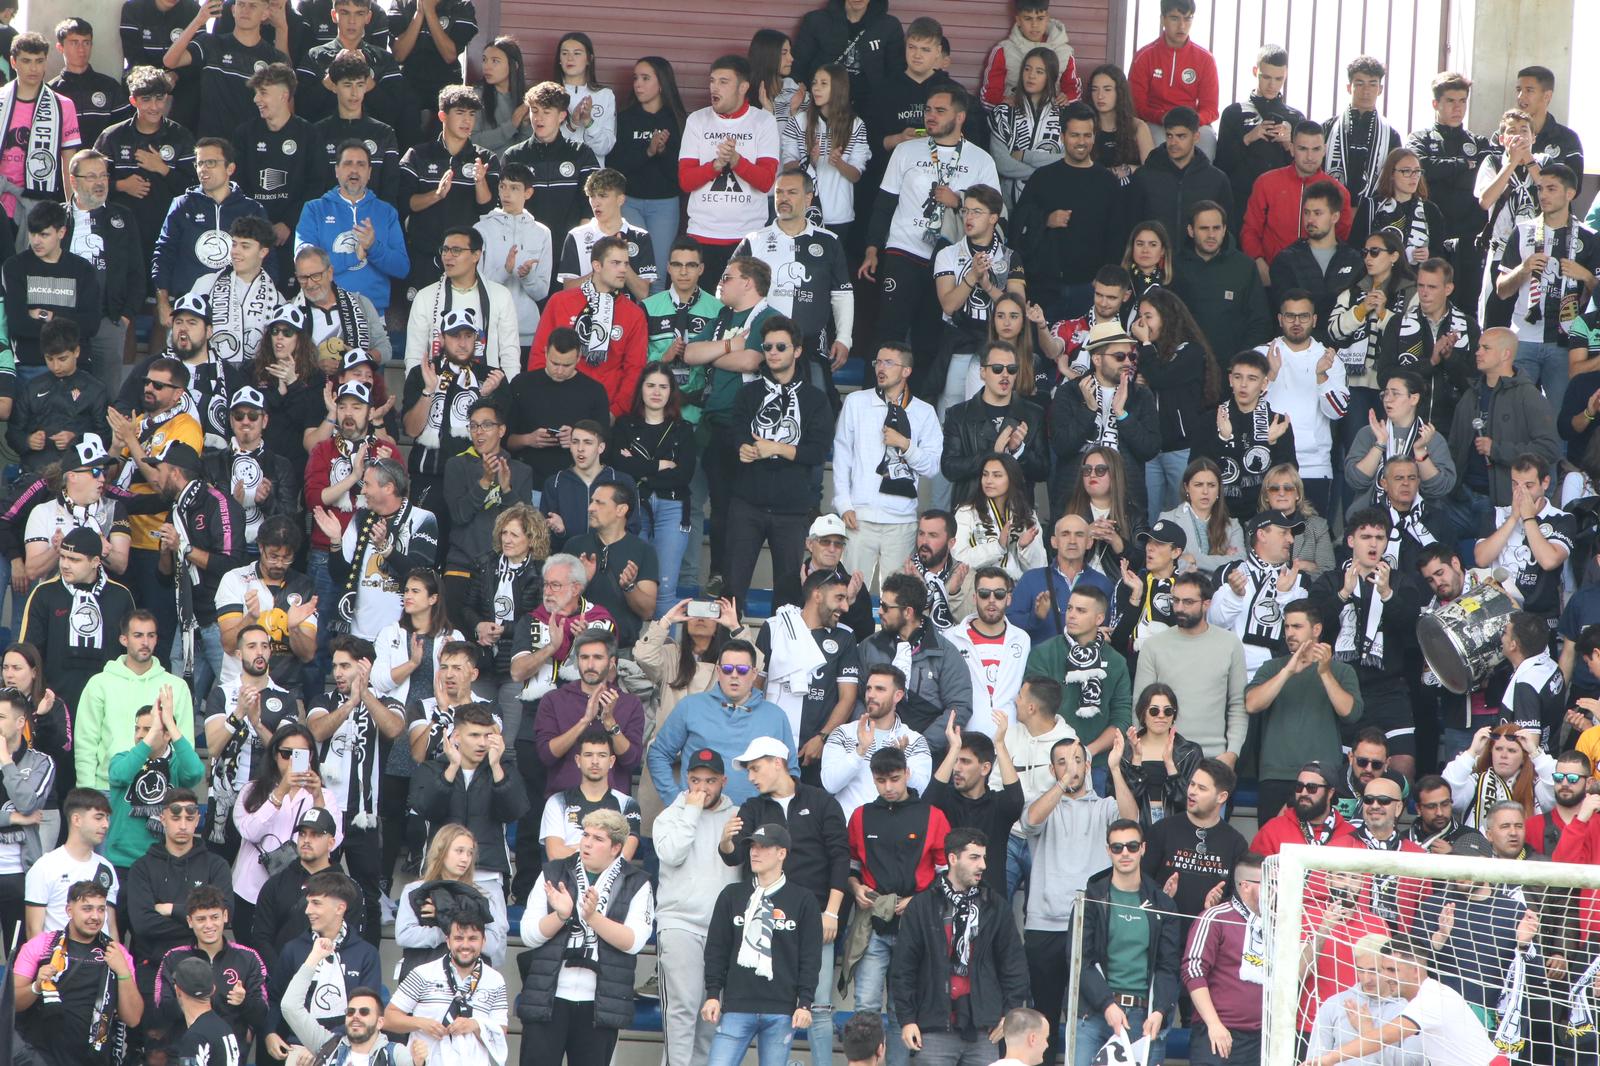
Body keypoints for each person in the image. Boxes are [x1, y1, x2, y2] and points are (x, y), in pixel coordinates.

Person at [861, 84, 998, 367]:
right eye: (927, 110)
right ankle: (872, 402)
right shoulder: (906, 150)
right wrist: (872, 248)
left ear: (960, 117)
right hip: (904, 249)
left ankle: (919, 405)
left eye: (940, 110)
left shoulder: (980, 159)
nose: (930, 116)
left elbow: (996, 214)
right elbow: (884, 202)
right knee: (888, 331)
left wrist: (959, 201)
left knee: (929, 337)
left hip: (948, 256)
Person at [1022, 732, 1137, 1066]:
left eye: (1076, 760)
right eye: (1061, 762)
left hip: (1092, 930)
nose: (1070, 768)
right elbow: (1030, 821)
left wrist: (1115, 770)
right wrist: (1064, 783)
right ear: (1051, 769)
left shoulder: (1105, 806)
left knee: (1089, 1019)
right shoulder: (1043, 801)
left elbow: (1131, 824)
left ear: (1089, 765)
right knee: (1043, 1017)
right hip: (1045, 925)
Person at [515, 808, 652, 1066]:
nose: (587, 843)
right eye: (586, 835)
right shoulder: (553, 872)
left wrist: (594, 919)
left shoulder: (637, 882)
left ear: (616, 848)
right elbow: (528, 935)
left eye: (598, 839)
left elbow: (634, 942)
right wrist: (561, 915)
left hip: (600, 1005)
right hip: (549, 998)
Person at [891, 826, 1031, 1064]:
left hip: (984, 1029)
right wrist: (907, 1019)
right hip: (934, 1027)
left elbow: (1014, 965)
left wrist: (1009, 1014)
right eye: (974, 857)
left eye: (984, 857)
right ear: (953, 859)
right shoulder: (922, 906)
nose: (983, 865)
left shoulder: (995, 905)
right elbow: (903, 968)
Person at [654, 747, 741, 1066]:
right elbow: (673, 854)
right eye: (695, 780)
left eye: (710, 780)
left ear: (724, 781)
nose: (702, 788)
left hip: (722, 932)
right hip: (679, 924)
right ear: (686, 780)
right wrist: (690, 811)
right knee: (682, 1010)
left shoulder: (737, 817)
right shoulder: (670, 815)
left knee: (710, 1016)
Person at [1306, 935, 1509, 1066]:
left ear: (1415, 971)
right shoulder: (1335, 1004)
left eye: (1392, 970)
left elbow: (1384, 1036)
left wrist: (1328, 1059)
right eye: (1383, 970)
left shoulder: (1431, 999)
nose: (1385, 977)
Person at [1244, 601, 1363, 822]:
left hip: (1322, 777)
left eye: (1297, 627)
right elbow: (1252, 704)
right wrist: (1288, 670)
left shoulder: (1342, 671)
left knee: (1320, 850)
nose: (1289, 633)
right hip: (1276, 775)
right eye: (1287, 627)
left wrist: (1325, 672)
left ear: (1316, 630)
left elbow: (1350, 713)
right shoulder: (1272, 667)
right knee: (1271, 851)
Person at [1495, 164, 1599, 414]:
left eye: (1551, 189)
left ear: (1570, 193)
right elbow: (1501, 291)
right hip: (1523, 337)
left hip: (1566, 342)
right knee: (1514, 413)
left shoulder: (1591, 237)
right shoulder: (1521, 231)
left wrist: (1585, 276)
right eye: (1540, 188)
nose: (1543, 195)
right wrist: (1522, 269)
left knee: (1558, 417)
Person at [735, 165, 855, 379]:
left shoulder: (829, 241)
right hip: (761, 348)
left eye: (792, 192)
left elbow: (842, 295)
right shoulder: (754, 240)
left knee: (818, 406)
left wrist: (844, 338)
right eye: (779, 192)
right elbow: (726, 289)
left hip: (811, 347)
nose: (783, 198)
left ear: (809, 199)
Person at [649, 640, 798, 807]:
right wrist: (675, 800)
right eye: (727, 669)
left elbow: (790, 770)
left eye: (742, 670)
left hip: (757, 820)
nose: (734, 675)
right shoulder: (690, 706)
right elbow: (658, 753)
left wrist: (777, 810)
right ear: (718, 671)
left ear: (755, 673)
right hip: (698, 815)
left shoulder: (775, 716)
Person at [1013, 101, 1126, 320]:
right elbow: (1018, 227)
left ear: (1095, 136)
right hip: (1044, 288)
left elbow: (1118, 237)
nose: (1082, 142)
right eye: (1075, 135)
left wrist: (1104, 280)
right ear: (1063, 136)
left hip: (1091, 289)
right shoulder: (1042, 178)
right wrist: (1046, 220)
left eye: (1087, 135)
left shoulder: (1108, 183)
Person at [12, 879, 142, 1063]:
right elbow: (12, 1003)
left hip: (95, 1057)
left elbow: (133, 1019)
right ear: (69, 910)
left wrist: (123, 971)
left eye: (101, 909)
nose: (95, 916)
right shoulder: (41, 946)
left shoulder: (117, 953)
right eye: (87, 908)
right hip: (40, 1056)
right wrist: (36, 986)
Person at [73, 610, 195, 801]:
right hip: (108, 789)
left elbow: (185, 743)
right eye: (138, 635)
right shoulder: (100, 683)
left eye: (151, 635)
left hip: (160, 788)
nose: (145, 642)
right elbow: (85, 743)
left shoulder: (176, 687)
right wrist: (87, 793)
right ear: (124, 639)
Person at [679, 55, 779, 284]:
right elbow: (685, 180)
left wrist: (736, 161)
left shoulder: (763, 122)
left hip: (749, 237)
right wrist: (715, 166)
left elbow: (766, 182)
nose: (714, 87)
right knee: (703, 312)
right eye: (712, 81)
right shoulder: (696, 120)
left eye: (723, 82)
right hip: (702, 234)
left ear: (743, 87)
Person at [1132, 571, 1249, 767]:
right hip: (1162, 755)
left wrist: (1232, 753)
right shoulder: (1153, 646)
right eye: (1175, 600)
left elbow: (1238, 704)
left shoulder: (1230, 644)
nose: (1179, 608)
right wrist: (1140, 752)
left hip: (1213, 758)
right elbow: (1140, 705)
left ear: (1206, 603)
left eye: (1187, 602)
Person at [151, 139, 270, 329]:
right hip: (189, 309)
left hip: (241, 311)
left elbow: (268, 260)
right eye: (199, 163)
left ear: (230, 168)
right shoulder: (182, 205)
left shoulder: (252, 209)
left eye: (211, 163)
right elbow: (163, 255)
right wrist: (163, 302)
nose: (203, 169)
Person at [18, 524, 136, 717]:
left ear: (95, 561)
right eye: (62, 556)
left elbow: (130, 654)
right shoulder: (44, 594)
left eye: (74, 559)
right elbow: (29, 653)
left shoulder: (121, 596)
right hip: (54, 705)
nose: (64, 564)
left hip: (108, 705)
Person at [95, 66, 197, 286]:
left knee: (161, 301)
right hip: (120, 236)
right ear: (133, 101)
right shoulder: (112, 136)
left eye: (159, 99)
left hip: (167, 237)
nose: (154, 107)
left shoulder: (181, 136)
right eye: (146, 100)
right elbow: (89, 185)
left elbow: (194, 189)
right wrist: (121, 185)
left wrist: (162, 168)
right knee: (124, 298)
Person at [527, 235, 648, 419]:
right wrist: (541, 399)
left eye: (626, 264)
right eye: (616, 263)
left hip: (604, 411)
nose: (623, 269)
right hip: (557, 403)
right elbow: (539, 354)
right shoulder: (560, 302)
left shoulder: (634, 314)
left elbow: (634, 369)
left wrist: (615, 412)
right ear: (597, 266)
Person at [757, 570, 860, 785]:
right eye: (839, 598)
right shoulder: (774, 627)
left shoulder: (845, 636)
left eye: (846, 599)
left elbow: (848, 698)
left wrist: (823, 738)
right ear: (817, 595)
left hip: (816, 751)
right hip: (772, 747)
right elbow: (756, 688)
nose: (845, 607)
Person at [264, 870, 383, 1054]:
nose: (307, 910)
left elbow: (369, 1008)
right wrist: (270, 1032)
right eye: (308, 902)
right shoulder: (293, 949)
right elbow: (275, 997)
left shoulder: (366, 954)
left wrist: (328, 1043)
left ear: (340, 908)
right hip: (300, 1047)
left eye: (316, 903)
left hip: (351, 1047)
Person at [1054, 319, 1161, 516]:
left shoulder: (1141, 395)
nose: (1128, 362)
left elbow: (1150, 448)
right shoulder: (1069, 393)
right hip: (1077, 496)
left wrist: (1122, 415)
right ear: (1097, 359)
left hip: (1125, 497)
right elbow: (1061, 446)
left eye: (1131, 356)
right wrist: (1088, 410)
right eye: (1119, 356)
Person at [1256, 293, 1348, 513]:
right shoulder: (1261, 354)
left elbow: (1338, 411)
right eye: (1290, 316)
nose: (1297, 322)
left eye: (1303, 316)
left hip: (1314, 467)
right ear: (1280, 319)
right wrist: (1270, 374)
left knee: (1313, 540)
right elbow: (1245, 405)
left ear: (1314, 320)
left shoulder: (1329, 359)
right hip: (1268, 464)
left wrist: (1321, 377)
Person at [295, 140, 408, 317]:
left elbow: (402, 268)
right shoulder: (314, 209)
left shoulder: (386, 212)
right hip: (324, 313)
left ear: (369, 172)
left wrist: (373, 247)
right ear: (336, 170)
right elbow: (305, 263)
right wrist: (353, 256)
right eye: (348, 164)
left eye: (361, 164)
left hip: (372, 315)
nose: (354, 170)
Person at [148, 885, 269, 1049]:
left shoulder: (248, 958)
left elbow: (262, 1015)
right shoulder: (174, 958)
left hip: (231, 1055)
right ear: (190, 921)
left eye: (214, 917)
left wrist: (244, 1001)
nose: (209, 925)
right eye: (201, 919)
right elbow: (159, 1012)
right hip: (184, 1053)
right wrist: (188, 999)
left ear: (225, 916)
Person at [383, 911, 509, 1065]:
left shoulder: (495, 980)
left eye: (472, 939)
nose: (465, 945)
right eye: (458, 938)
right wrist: (420, 1023)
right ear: (448, 941)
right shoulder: (422, 973)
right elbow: (389, 1018)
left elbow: (500, 1033)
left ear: (483, 941)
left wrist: (475, 1025)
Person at [532, 629, 644, 799]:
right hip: (564, 800)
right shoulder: (553, 700)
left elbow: (631, 761)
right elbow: (546, 756)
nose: (590, 665)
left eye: (598, 658)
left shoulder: (630, 703)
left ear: (611, 662)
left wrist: (610, 723)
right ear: (577, 661)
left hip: (613, 804)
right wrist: (585, 721)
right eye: (584, 657)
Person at [1190, 350, 1296, 520]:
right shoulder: (1210, 419)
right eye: (1238, 377)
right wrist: (1223, 439)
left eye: (1252, 378)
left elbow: (1289, 475)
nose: (1243, 385)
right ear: (1230, 380)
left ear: (1264, 384)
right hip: (1219, 514)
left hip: (1264, 513)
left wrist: (1272, 442)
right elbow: (1195, 470)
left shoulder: (1277, 422)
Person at [105, 691, 204, 873]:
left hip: (162, 862)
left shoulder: (175, 765)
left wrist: (170, 725)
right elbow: (121, 775)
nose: (140, 735)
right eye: (138, 729)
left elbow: (195, 772)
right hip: (120, 862)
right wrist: (152, 736)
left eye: (148, 729)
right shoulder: (123, 758)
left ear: (167, 735)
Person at [1241, 122, 1353, 282]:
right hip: (1272, 277)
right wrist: (1258, 262)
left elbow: (1342, 238)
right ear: (1292, 149)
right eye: (1302, 149)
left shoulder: (1339, 191)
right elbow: (1250, 229)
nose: (1309, 157)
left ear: (1325, 149)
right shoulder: (1266, 183)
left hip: (1319, 280)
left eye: (1316, 149)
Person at [941, 340, 1049, 504]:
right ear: (983, 372)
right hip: (971, 509)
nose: (1005, 375)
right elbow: (949, 468)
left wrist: (1019, 450)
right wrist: (993, 453)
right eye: (997, 369)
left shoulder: (1033, 414)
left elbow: (1043, 471)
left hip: (1017, 511)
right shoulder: (957, 414)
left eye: (1011, 369)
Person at [161, 0, 286, 139]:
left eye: (253, 5)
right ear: (233, 10)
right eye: (241, 4)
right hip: (211, 145)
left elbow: (284, 106)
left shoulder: (274, 58)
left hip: (251, 146)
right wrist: (198, 20)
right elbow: (170, 61)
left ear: (265, 14)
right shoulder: (211, 43)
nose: (245, 10)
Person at [1472, 453, 1573, 626]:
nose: (1521, 492)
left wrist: (1528, 518)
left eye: (1529, 485)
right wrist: (1512, 519)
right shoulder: (1496, 514)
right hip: (1497, 615)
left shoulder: (1562, 519)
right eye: (1515, 484)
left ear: (1545, 483)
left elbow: (1549, 561)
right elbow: (1481, 558)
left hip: (1539, 618)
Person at [2, 203, 102, 379]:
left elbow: (90, 325)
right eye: (32, 234)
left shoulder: (82, 269)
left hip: (76, 367)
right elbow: (18, 324)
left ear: (61, 233)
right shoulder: (15, 267)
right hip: (30, 365)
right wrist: (67, 322)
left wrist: (46, 315)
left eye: (44, 234)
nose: (36, 241)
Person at [1141, 755, 1247, 920]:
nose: (1192, 792)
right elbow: (1141, 881)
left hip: (1208, 936)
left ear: (1222, 797)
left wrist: (1218, 907)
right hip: (1164, 933)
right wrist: (1161, 895)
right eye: (1192, 784)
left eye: (1202, 788)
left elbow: (1239, 900)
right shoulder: (1162, 830)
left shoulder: (1235, 843)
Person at [1173, 200, 1273, 370]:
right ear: (1191, 230)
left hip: (1231, 370)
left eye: (1216, 228)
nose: (1211, 235)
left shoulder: (1244, 267)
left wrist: (1241, 361)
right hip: (1184, 369)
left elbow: (1260, 320)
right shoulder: (1175, 267)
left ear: (1224, 229)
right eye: (1204, 228)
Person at [393, 824, 509, 970]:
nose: (465, 859)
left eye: (469, 853)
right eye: (459, 851)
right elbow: (404, 935)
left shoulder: (483, 896)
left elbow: (492, 945)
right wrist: (451, 933)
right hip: (425, 973)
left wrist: (445, 918)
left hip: (470, 976)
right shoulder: (414, 890)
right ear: (441, 851)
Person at [612, 56, 685, 277]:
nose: (638, 84)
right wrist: (648, 151)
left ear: (661, 83)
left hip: (665, 205)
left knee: (658, 272)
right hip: (630, 202)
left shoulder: (678, 120)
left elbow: (680, 174)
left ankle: (652, 313)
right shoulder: (625, 119)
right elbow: (616, 166)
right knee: (632, 268)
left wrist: (662, 152)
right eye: (635, 78)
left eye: (645, 78)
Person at [0, 32, 81, 225]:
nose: (33, 68)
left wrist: (72, 211)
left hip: (38, 204)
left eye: (39, 61)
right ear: (13, 62)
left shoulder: (63, 105)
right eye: (26, 61)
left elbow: (69, 162)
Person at [780, 65, 869, 232]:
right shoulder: (798, 121)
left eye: (823, 83)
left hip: (839, 215)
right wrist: (808, 162)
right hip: (802, 214)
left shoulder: (855, 124)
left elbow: (856, 175)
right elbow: (787, 166)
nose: (816, 88)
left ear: (838, 88)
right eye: (814, 83)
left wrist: (838, 163)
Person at [472, 162, 552, 348]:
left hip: (528, 333)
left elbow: (541, 292)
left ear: (528, 193)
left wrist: (528, 276)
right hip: (490, 331)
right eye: (502, 187)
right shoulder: (482, 229)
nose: (506, 194)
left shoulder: (542, 233)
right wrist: (506, 271)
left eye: (514, 188)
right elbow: (475, 287)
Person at [0, 688, 56, 949]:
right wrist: (13, 819)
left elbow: (28, 803)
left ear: (20, 722)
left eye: (1, 716)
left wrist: (5, 763)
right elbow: (21, 812)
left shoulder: (40, 763)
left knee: (19, 955)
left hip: (19, 874)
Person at [944, 566, 1031, 736]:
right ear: (975, 597)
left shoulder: (1022, 639)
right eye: (984, 594)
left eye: (999, 594)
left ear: (1008, 599)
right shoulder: (951, 638)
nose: (991, 600)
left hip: (1010, 741)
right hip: (965, 740)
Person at [1216, 45, 1303, 213]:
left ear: (1286, 75)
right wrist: (1247, 139)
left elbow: (1307, 168)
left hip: (1281, 202)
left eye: (1279, 79)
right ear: (1255, 71)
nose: (1272, 85)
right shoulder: (1233, 113)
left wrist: (1288, 145)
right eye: (1266, 77)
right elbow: (1221, 163)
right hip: (1241, 202)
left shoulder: (1295, 117)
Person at [24, 788, 119, 939]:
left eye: (107, 818)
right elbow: (33, 930)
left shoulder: (106, 868)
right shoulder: (45, 866)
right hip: (57, 959)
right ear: (76, 820)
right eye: (99, 817)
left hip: (99, 959)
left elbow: (111, 926)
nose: (106, 824)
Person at [1127, 0, 1218, 153]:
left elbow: (1211, 108)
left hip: (1192, 124)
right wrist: (1162, 117)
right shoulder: (1144, 56)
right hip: (1156, 123)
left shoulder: (1205, 59)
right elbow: (1136, 105)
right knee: (1161, 149)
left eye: (1188, 18)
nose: (1182, 26)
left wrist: (1192, 121)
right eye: (1175, 18)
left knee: (1207, 141)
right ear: (1162, 19)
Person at [249, 803, 342, 952]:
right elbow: (261, 938)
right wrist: (280, 973)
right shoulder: (275, 885)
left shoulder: (346, 888)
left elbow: (351, 940)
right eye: (302, 834)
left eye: (315, 834)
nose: (306, 840)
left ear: (331, 843)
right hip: (282, 972)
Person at [1134, 106, 1233, 243]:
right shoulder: (1143, 177)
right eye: (1169, 135)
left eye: (1181, 136)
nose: (1173, 143)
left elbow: (1227, 231)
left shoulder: (1217, 180)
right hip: (1155, 262)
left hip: (1200, 262)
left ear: (1196, 137)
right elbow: (1130, 226)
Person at [558, 168, 655, 301]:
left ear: (620, 199)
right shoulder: (576, 236)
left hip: (625, 317)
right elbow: (567, 290)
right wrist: (601, 271)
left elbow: (643, 294)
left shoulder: (640, 237)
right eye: (592, 196)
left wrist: (621, 262)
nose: (596, 203)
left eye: (603, 196)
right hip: (587, 315)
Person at [1322, 56, 1400, 213]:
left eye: (1372, 84)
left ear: (1380, 89)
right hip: (1331, 210)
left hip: (1373, 213)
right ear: (1349, 87)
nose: (1366, 90)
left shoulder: (1390, 134)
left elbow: (1394, 178)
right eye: (1359, 83)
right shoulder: (1328, 128)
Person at [988, 47, 1064, 205]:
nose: (1031, 76)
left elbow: (1067, 160)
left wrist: (1025, 156)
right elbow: (1001, 162)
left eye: (1040, 71)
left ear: (1050, 76)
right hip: (1010, 204)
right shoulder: (1003, 112)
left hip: (1053, 204)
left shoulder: (1064, 114)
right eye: (1027, 69)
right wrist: (1042, 175)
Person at [954, 454, 1047, 580]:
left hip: (1017, 589)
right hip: (980, 590)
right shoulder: (967, 512)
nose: (988, 481)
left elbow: (1040, 567)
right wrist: (998, 546)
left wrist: (1025, 548)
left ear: (1012, 478)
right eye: (985, 474)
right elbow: (958, 558)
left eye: (997, 475)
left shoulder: (1027, 515)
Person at [1248, 762, 1357, 855]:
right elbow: (1254, 873)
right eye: (1299, 787)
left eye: (1312, 788)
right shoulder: (1272, 830)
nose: (1303, 793)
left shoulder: (1351, 835)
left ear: (1330, 793)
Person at [1407, 772, 1490, 853]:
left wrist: (1453, 854)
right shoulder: (1403, 840)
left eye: (1445, 804)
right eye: (1431, 806)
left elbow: (1486, 865)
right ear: (1418, 808)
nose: (1439, 813)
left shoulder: (1472, 837)